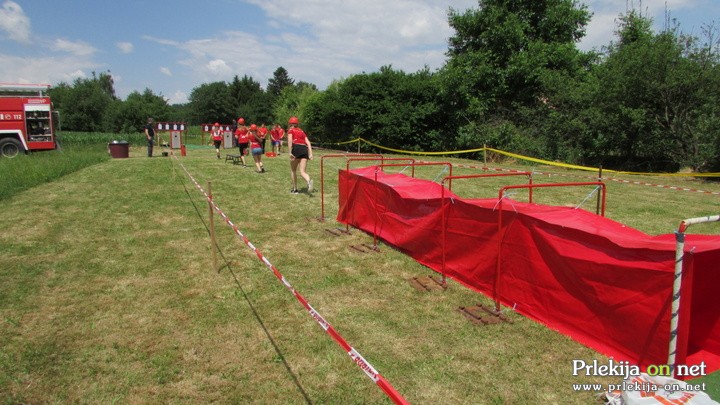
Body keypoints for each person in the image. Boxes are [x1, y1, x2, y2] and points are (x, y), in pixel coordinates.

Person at [287, 116, 313, 194]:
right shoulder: (301, 131)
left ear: (290, 124)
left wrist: (290, 152)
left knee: (293, 170)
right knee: (302, 171)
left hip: (296, 148)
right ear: (297, 124)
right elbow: (308, 142)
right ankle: (308, 181)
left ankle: (295, 189)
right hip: (304, 149)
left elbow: (290, 141)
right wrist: (310, 153)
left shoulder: (291, 130)